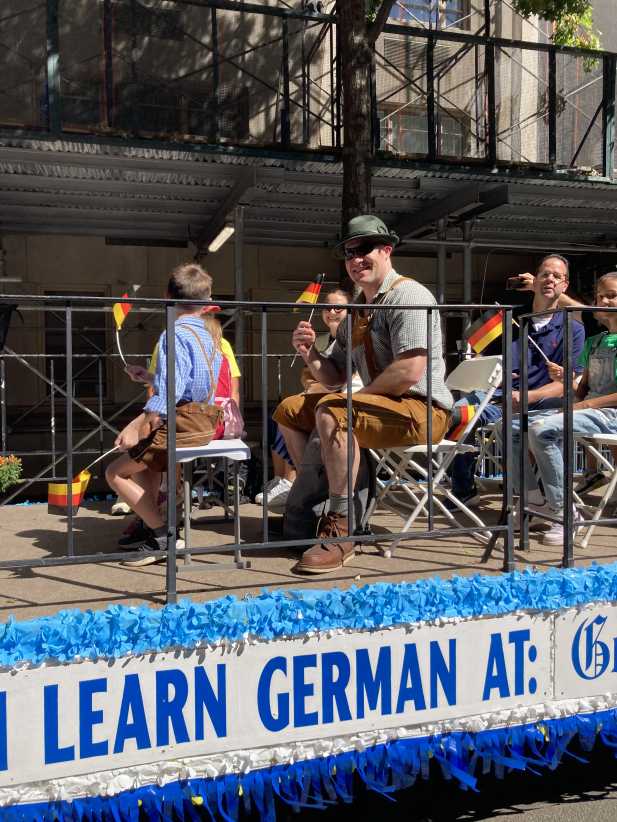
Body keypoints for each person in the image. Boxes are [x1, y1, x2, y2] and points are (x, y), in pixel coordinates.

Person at [274, 214, 453, 574]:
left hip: (422, 409)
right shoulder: (357, 311)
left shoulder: (409, 294)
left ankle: (343, 527)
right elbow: (334, 376)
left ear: (387, 250)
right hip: (382, 406)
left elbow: (409, 372)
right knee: (290, 409)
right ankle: (311, 508)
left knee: (334, 412)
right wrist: (310, 353)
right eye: (349, 252)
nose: (356, 258)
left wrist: (353, 400)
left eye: (365, 248)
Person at [106, 263, 222, 566]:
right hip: (204, 422)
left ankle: (162, 536)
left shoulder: (173, 335)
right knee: (145, 465)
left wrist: (140, 423)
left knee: (114, 472)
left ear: (167, 295)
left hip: (181, 425)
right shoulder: (211, 338)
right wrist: (150, 377)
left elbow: (171, 393)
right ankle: (150, 525)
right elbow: (190, 384)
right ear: (207, 298)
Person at [450, 254, 585, 505]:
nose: (550, 280)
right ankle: (463, 489)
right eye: (545, 274)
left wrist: (526, 396)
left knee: (542, 429)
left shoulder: (572, 328)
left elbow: (567, 383)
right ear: (534, 281)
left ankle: (542, 497)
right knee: (457, 413)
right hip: (498, 396)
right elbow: (479, 356)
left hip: (542, 403)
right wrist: (492, 373)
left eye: (557, 276)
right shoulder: (510, 318)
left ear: (565, 285)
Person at [515, 272, 617, 545]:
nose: (604, 301)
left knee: (540, 430)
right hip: (590, 412)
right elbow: (581, 389)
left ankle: (564, 512)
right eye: (600, 296)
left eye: (612, 295)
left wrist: (581, 405)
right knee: (513, 426)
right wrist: (567, 381)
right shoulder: (595, 342)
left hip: (610, 415)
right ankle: (535, 500)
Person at [260, 286, 357, 513]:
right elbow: (309, 376)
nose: (331, 311)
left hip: (348, 403)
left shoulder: (351, 337)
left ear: (351, 311)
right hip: (325, 399)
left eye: (339, 307)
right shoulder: (326, 341)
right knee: (283, 413)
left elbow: (342, 378)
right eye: (327, 307)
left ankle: (303, 484)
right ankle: (303, 482)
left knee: (289, 411)